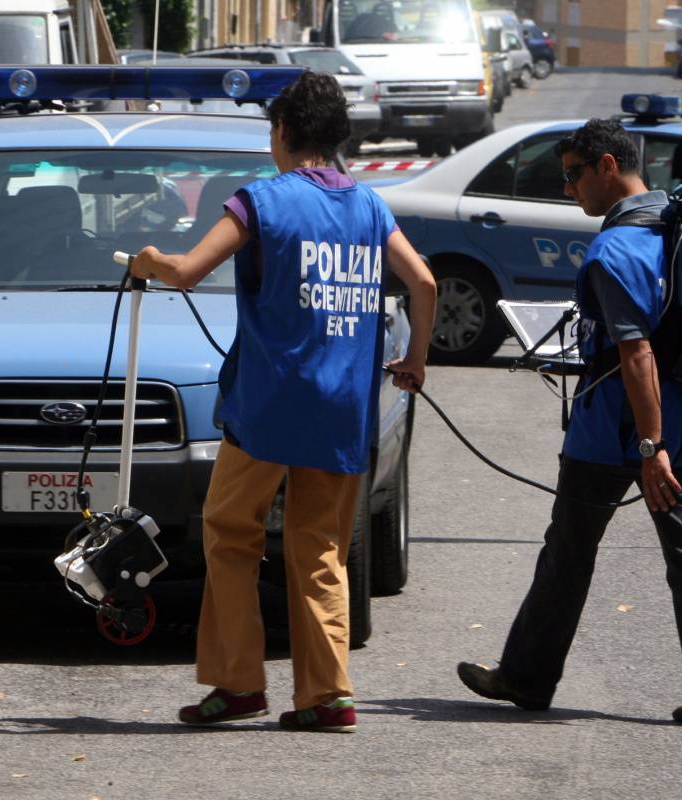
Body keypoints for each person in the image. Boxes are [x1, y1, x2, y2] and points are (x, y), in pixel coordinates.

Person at [129, 71, 437, 733]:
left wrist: (148, 261)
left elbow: (186, 270)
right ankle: (329, 695)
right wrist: (414, 361)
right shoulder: (370, 208)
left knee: (231, 533)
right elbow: (424, 282)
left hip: (268, 412)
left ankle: (239, 684)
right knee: (320, 547)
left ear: (283, 133)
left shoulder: (261, 203)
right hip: (341, 413)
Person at [456, 118, 682, 725]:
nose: (569, 190)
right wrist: (668, 442)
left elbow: (635, 352)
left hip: (617, 435)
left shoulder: (615, 249)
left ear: (607, 167)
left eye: (573, 175)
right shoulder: (680, 222)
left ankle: (527, 678)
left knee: (568, 550)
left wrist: (650, 446)